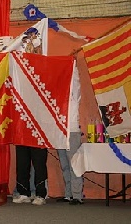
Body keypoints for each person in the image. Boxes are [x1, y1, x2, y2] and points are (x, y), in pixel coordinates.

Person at [56, 63, 84, 205]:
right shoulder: (58, 99)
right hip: (60, 133)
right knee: (65, 165)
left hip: (72, 132)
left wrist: (73, 66)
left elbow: (76, 83)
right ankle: (69, 194)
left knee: (74, 165)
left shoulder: (74, 96)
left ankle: (78, 195)